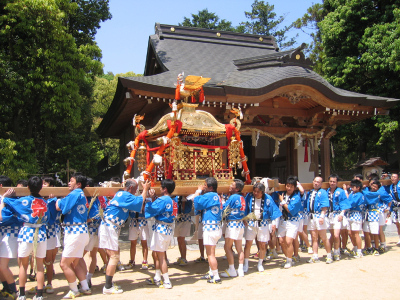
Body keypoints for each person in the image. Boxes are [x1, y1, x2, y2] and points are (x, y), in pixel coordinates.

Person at [1, 176, 50, 300]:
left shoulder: (24, 201)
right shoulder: (45, 202)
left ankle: (21, 294)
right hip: (41, 233)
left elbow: (9, 202)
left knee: (23, 265)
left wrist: (4, 198)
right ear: (41, 188)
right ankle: (39, 294)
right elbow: (48, 218)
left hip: (27, 232)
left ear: (27, 187)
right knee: (39, 266)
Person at [99, 179, 150, 294]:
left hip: (110, 226)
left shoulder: (121, 194)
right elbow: (139, 202)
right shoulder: (125, 195)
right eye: (136, 188)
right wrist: (145, 189)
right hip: (110, 226)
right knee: (114, 257)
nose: (137, 191)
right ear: (131, 188)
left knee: (114, 254)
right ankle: (107, 286)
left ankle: (106, 282)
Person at [55, 173, 91, 299]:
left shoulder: (75, 193)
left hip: (75, 231)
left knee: (64, 264)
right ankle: (85, 287)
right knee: (76, 262)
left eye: (71, 181)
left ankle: (74, 290)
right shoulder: (80, 194)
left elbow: (60, 207)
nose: (69, 183)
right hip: (81, 230)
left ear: (78, 184)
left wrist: (57, 199)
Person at [145, 179, 176, 289]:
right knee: (157, 253)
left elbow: (152, 210)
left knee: (161, 256)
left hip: (161, 229)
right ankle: (157, 277)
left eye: (161, 187)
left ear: (165, 189)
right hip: (166, 229)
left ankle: (167, 280)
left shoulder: (163, 199)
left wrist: (149, 199)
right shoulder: (172, 200)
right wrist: (153, 198)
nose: (159, 188)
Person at [244, 182, 281, 272]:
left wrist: (273, 223)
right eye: (254, 191)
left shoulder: (268, 199)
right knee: (248, 244)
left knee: (262, 245)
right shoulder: (249, 196)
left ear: (262, 192)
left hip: (263, 223)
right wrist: (244, 218)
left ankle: (260, 263)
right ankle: (246, 264)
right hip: (251, 223)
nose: (255, 193)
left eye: (258, 192)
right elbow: (244, 207)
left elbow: (273, 211)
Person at [194, 177, 223, 284]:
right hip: (216, 226)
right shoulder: (217, 196)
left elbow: (197, 203)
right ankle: (211, 272)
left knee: (210, 254)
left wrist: (198, 191)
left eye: (205, 185)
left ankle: (216, 276)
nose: (203, 186)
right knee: (212, 252)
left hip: (210, 227)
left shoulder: (209, 195)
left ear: (210, 187)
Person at [0, 177, 23, 300]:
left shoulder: (10, 201)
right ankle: (7, 288)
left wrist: (3, 200)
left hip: (10, 235)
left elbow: (1, 217)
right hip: (4, 235)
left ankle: (14, 291)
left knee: (3, 266)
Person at [220, 179, 246, 277]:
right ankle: (240, 269)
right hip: (240, 224)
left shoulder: (232, 197)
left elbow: (224, 208)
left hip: (232, 224)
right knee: (239, 248)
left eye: (232, 185)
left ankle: (231, 269)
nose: (230, 186)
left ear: (237, 188)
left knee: (227, 247)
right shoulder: (242, 197)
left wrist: (222, 200)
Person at [304, 177, 333, 264]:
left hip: (319, 215)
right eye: (315, 181)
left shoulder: (323, 192)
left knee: (323, 237)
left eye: (318, 182)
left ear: (321, 184)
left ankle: (329, 255)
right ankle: (315, 255)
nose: (316, 183)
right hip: (311, 216)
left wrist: (322, 216)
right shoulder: (311, 192)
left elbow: (325, 205)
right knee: (313, 237)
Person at [277, 177, 303, 269]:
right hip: (283, 220)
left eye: (291, 186)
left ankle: (289, 260)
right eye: (288, 186)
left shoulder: (296, 197)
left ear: (295, 187)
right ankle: (288, 257)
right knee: (281, 241)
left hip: (292, 221)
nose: (289, 188)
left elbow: (289, 210)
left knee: (289, 241)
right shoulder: (282, 193)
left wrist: (282, 201)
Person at [326, 174, 350, 261]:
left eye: (334, 182)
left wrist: (342, 214)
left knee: (336, 235)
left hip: (337, 214)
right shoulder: (327, 191)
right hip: (329, 215)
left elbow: (344, 203)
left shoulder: (340, 191)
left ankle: (337, 252)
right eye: (331, 181)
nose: (332, 183)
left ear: (337, 182)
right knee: (332, 235)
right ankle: (331, 251)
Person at [42, 177, 59, 294]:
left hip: (52, 231)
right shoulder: (37, 199)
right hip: (39, 231)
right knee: (40, 259)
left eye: (45, 183)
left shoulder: (54, 200)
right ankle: (40, 283)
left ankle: (48, 283)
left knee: (49, 259)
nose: (43, 185)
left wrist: (51, 200)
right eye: (42, 183)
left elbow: (54, 217)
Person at [347, 179, 365, 258]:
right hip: (350, 214)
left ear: (358, 187)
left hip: (356, 214)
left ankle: (359, 251)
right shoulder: (352, 194)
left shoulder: (359, 195)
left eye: (353, 187)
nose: (351, 188)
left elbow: (351, 203)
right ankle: (355, 247)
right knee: (350, 233)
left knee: (356, 233)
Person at [173, 195, 193, 266]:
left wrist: (184, 201)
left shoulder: (188, 198)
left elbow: (186, 209)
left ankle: (184, 258)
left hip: (186, 218)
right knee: (179, 239)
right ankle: (181, 257)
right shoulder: (176, 197)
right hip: (178, 219)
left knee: (182, 238)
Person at [389, 173, 400, 245]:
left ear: (398, 178)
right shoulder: (391, 186)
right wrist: (390, 210)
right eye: (392, 177)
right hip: (395, 206)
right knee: (397, 223)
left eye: (394, 177)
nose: (393, 178)